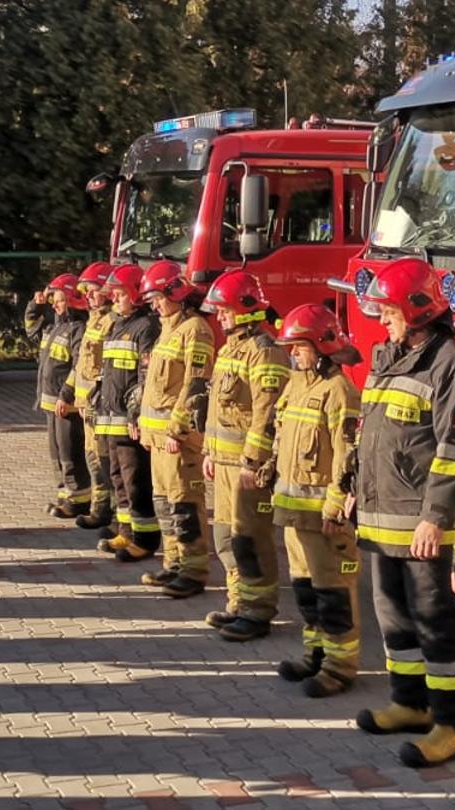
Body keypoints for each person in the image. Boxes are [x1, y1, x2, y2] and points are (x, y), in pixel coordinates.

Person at [349, 260, 455, 769]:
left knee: (437, 622)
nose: (381, 320)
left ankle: (453, 725)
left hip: (421, 524)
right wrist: (351, 488)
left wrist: (437, 516)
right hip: (382, 516)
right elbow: (371, 432)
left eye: (389, 311)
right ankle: (409, 703)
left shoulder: (453, 363)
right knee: (394, 617)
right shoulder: (387, 356)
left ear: (417, 311)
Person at [267, 304, 364, 697]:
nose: (293, 353)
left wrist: (336, 507)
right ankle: (316, 653)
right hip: (293, 514)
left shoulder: (339, 391)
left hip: (323, 518)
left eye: (300, 347)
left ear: (322, 346)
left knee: (333, 591)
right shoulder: (296, 383)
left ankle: (340, 667)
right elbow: (281, 434)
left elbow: (346, 455)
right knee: (305, 589)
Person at [198, 270, 288, 640]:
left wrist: (253, 463)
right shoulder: (230, 347)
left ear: (247, 309)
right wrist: (208, 451)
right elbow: (217, 410)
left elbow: (267, 414)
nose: (219, 317)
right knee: (224, 537)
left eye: (225, 310)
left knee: (250, 539)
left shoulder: (265, 351)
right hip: (222, 463)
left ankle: (257, 610)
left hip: (246, 468)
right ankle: (238, 602)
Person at [138, 260, 215, 598]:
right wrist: (145, 429)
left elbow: (195, 384)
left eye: (158, 297)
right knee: (163, 502)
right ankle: (173, 564)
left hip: (178, 440)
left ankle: (194, 570)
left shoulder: (195, 329)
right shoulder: (167, 329)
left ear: (176, 293)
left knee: (185, 503)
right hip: (157, 440)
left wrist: (177, 430)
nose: (154, 304)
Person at [88, 263, 162, 562]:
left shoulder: (146, 327)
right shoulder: (118, 324)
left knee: (135, 479)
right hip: (108, 416)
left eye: (120, 294)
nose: (115, 299)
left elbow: (144, 378)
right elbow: (107, 372)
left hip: (126, 419)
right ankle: (126, 531)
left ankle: (145, 540)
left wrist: (135, 415)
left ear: (135, 294)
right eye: (114, 294)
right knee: (116, 476)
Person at [25, 272, 93, 518]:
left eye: (60, 299)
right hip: (50, 402)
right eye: (54, 299)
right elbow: (32, 330)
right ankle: (64, 495)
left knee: (70, 453)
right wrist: (36, 306)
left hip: (66, 404)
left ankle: (80, 499)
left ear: (74, 300)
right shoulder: (54, 327)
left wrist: (67, 394)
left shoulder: (78, 329)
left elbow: (79, 366)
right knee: (56, 453)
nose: (55, 304)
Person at [67, 262, 117, 537]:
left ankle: (107, 510)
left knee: (104, 458)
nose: (88, 295)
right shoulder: (93, 320)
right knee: (92, 456)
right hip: (86, 404)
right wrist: (70, 391)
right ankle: (99, 508)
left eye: (94, 290)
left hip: (100, 404)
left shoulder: (111, 322)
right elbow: (82, 364)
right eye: (86, 291)